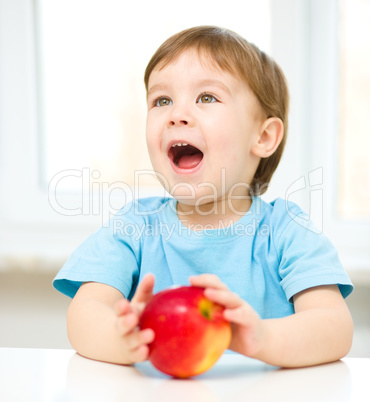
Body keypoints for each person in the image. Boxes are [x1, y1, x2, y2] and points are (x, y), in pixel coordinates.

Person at [53, 26, 353, 368]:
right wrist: (120, 339)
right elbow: (84, 313)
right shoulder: (134, 227)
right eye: (161, 100)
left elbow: (335, 327)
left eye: (207, 97)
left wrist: (263, 338)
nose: (176, 114)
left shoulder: (287, 230)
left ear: (264, 136)